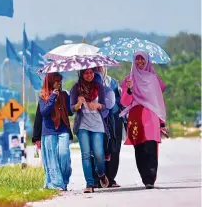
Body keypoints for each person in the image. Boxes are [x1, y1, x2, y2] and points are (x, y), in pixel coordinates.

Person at [119, 51, 167, 189]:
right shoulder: (128, 79)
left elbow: (158, 100)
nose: (139, 62)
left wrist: (161, 122)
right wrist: (129, 89)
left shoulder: (153, 79)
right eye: (137, 59)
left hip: (151, 117)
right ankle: (144, 177)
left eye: (142, 59)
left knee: (150, 146)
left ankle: (150, 178)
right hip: (135, 116)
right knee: (139, 148)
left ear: (147, 61)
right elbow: (124, 102)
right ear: (133, 61)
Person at [70, 68, 110, 193]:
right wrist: (78, 105)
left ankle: (101, 173)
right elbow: (71, 109)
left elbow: (104, 105)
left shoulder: (99, 87)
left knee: (99, 154)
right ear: (81, 74)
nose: (89, 75)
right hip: (83, 125)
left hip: (97, 124)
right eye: (86, 73)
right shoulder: (75, 89)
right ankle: (89, 183)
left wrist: (98, 106)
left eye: (91, 73)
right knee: (86, 155)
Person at [38, 72, 73, 191]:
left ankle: (64, 180)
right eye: (56, 80)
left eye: (60, 80)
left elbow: (69, 112)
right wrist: (52, 97)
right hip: (49, 130)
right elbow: (44, 112)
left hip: (63, 128)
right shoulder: (43, 96)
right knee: (52, 158)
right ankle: (57, 184)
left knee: (64, 154)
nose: (59, 83)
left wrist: (76, 104)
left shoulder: (64, 94)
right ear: (50, 82)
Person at [92, 67, 124, 188]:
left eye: (100, 66)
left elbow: (121, 101)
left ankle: (110, 178)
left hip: (114, 119)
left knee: (114, 148)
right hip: (95, 119)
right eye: (95, 66)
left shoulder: (112, 82)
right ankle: (96, 179)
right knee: (95, 150)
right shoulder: (88, 82)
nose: (98, 68)